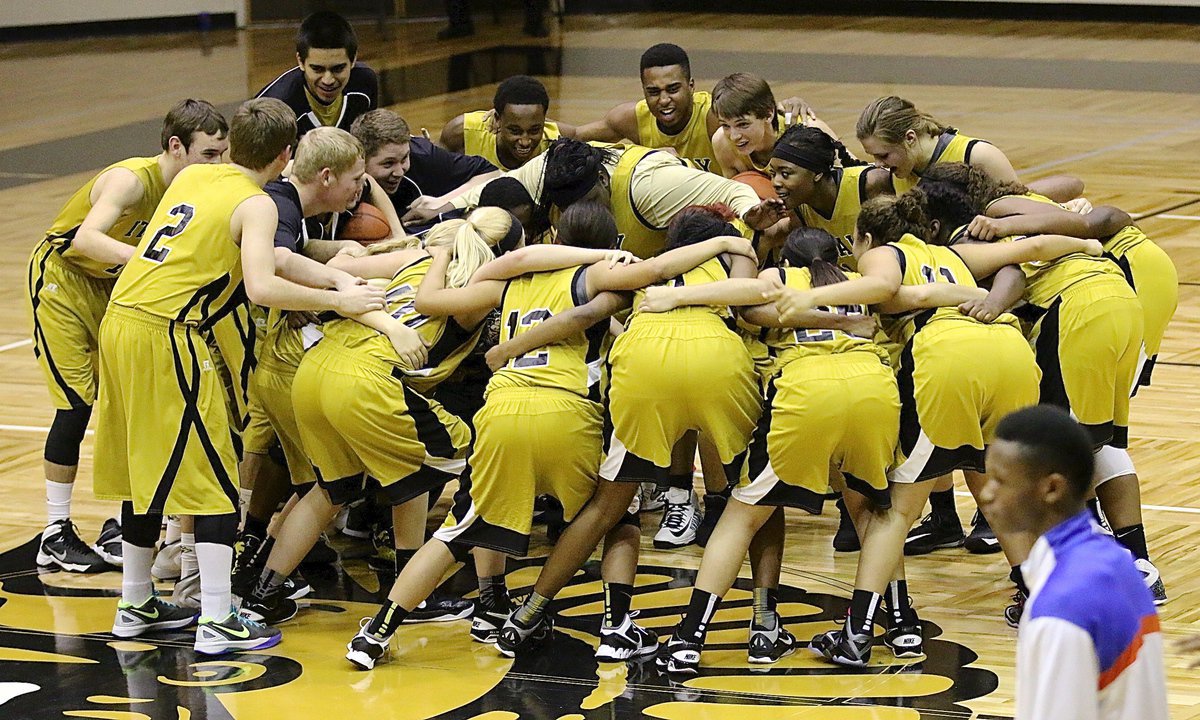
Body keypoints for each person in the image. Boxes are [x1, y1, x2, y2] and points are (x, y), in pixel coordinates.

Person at [93, 98, 386, 655]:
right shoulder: (257, 205)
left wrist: (335, 283)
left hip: (121, 322)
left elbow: (277, 261)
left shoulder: (196, 176)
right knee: (216, 478)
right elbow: (262, 286)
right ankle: (217, 617)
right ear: (285, 154)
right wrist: (344, 305)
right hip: (171, 335)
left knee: (145, 469)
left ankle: (136, 601)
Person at [772, 194, 1103, 665]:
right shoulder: (955, 253)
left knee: (896, 511)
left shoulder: (881, 255)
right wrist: (1089, 247)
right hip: (1009, 354)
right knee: (998, 488)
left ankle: (857, 631)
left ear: (865, 238)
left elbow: (894, 290)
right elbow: (1031, 248)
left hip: (950, 360)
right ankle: (1040, 597)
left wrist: (814, 297)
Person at [494, 206, 764, 658]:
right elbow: (751, 301)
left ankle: (527, 614)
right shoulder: (729, 258)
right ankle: (761, 622)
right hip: (717, 358)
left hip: (642, 363)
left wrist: (511, 347)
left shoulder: (639, 269)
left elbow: (582, 315)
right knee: (754, 503)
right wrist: (741, 245)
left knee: (606, 508)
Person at [238, 209, 521, 628]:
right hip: (368, 381)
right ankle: (483, 597)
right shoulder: (481, 287)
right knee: (487, 468)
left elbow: (336, 268)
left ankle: (262, 596)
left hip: (315, 371)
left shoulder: (412, 259)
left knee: (337, 488)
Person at [646, 228, 899, 674]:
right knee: (873, 513)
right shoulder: (859, 282)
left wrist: (674, 298)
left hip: (807, 392)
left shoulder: (778, 280)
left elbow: (744, 307)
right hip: (874, 389)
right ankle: (887, 629)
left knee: (741, 515)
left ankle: (688, 638)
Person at [915, 168, 1166, 610]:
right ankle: (1136, 562)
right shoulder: (1030, 206)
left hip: (1080, 310)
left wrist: (993, 295)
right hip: (1124, 300)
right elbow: (1073, 191)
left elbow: (1077, 227)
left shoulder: (987, 226)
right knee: (1098, 444)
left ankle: (1102, 572)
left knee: (1064, 450)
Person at [27, 99, 229, 574]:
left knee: (129, 405)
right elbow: (86, 239)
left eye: (223, 154)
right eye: (209, 155)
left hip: (117, 287)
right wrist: (152, 260)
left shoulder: (195, 187)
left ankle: (122, 525)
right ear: (176, 147)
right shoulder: (132, 179)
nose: (218, 165)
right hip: (64, 279)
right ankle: (55, 532)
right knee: (76, 403)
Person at [981, 406, 1167, 720]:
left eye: (1000, 480)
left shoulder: (1060, 609)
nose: (986, 494)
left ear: (1052, 488)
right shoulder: (1117, 561)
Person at [413, 138, 784, 261]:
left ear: (603, 180)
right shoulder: (546, 172)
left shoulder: (652, 187)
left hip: (680, 241)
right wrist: (440, 210)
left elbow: (733, 190)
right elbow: (495, 190)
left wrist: (751, 213)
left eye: (588, 199)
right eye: (568, 207)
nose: (580, 212)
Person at [574, 43, 723, 174]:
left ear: (691, 86)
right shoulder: (632, 119)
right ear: (644, 91)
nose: (664, 100)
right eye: (654, 92)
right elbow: (575, 135)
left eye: (672, 89)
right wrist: (643, 156)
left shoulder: (715, 116)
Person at [767, 124, 894, 271]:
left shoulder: (871, 184)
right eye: (772, 174)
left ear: (817, 174)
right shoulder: (799, 209)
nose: (775, 183)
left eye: (785, 174)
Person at [351, 109, 498, 233]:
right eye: (388, 164)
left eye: (404, 159)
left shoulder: (422, 155)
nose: (399, 172)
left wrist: (442, 203)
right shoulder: (342, 178)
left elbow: (491, 172)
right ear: (361, 159)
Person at [256, 11, 378, 138]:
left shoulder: (365, 83)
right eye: (317, 69)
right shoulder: (274, 108)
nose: (328, 80)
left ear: (353, 60)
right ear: (300, 61)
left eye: (338, 69)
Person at [439, 76, 575, 172]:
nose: (525, 142)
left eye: (534, 130)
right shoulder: (460, 133)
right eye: (515, 131)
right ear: (497, 120)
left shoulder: (553, 137)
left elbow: (587, 132)